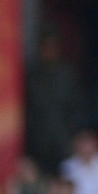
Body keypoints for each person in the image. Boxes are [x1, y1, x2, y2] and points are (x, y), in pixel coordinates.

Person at [26, 28, 86, 172]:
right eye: (46, 47)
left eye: (53, 47)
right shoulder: (33, 75)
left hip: (64, 138)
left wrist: (74, 135)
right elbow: (29, 109)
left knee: (66, 177)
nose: (49, 51)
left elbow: (78, 106)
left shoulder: (68, 73)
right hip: (39, 139)